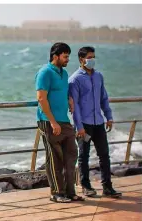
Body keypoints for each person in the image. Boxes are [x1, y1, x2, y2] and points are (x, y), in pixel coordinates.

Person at [69, 46, 122, 198]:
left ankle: (107, 187)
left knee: (104, 155)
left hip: (98, 122)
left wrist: (109, 117)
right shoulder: (75, 79)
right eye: (89, 57)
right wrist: (79, 126)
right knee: (83, 155)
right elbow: (75, 107)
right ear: (81, 59)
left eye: (93, 57)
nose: (92, 60)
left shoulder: (99, 76)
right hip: (83, 125)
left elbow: (103, 98)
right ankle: (86, 186)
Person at [35, 42, 84, 203]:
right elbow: (41, 98)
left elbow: (63, 92)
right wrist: (52, 121)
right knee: (54, 157)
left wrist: (69, 98)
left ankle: (70, 191)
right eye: (65, 56)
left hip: (64, 120)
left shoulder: (63, 74)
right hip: (49, 122)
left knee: (72, 154)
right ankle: (56, 193)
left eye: (68, 56)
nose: (68, 59)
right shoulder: (45, 73)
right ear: (55, 56)